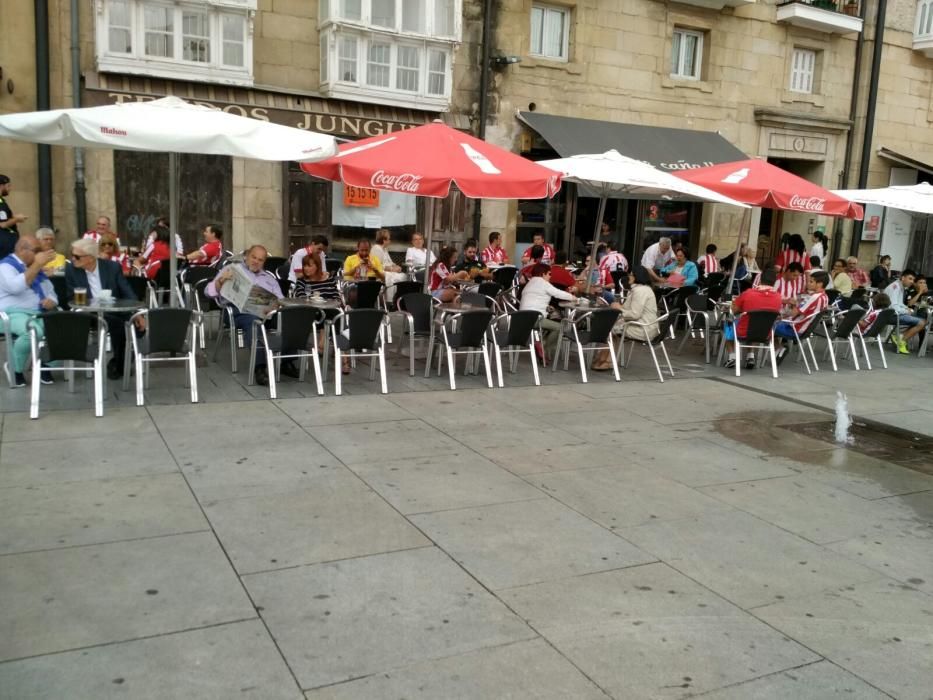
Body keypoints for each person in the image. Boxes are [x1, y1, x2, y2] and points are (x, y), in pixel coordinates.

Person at [206, 245, 284, 385]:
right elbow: (209, 292)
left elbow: (280, 300)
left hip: (265, 314)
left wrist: (274, 305)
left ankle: (286, 361)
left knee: (289, 318)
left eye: (260, 260)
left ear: (264, 262)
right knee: (253, 322)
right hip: (236, 312)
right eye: (253, 257)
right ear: (247, 256)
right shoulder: (232, 269)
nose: (256, 261)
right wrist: (221, 281)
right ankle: (260, 368)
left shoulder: (269, 278)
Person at [66, 238, 140, 380]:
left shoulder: (112, 267)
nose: (73, 259)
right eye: (72, 255)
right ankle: (120, 365)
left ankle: (119, 361)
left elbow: (127, 291)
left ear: (90, 258)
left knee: (134, 324)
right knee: (118, 325)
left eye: (76, 256)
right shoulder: (71, 270)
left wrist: (137, 313)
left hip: (114, 309)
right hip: (88, 313)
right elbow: (70, 296)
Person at [0, 236, 57, 387]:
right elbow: (15, 287)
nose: (40, 254)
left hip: (38, 312)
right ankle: (15, 369)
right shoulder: (5, 267)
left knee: (61, 329)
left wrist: (52, 301)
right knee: (32, 332)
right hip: (11, 313)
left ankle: (45, 366)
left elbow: (50, 291)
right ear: (21, 250)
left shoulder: (33, 266)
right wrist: (37, 265)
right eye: (36, 250)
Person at [592, 267, 659, 371]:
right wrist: (619, 306)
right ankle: (604, 359)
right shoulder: (641, 289)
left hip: (643, 329)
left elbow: (635, 314)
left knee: (608, 329)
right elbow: (633, 310)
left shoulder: (640, 291)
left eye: (631, 274)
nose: (629, 276)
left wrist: (619, 308)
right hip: (647, 326)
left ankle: (606, 361)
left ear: (637, 276)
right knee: (611, 327)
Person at [723, 266, 783, 369]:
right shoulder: (778, 297)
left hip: (742, 331)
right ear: (774, 281)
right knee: (756, 324)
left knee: (727, 324)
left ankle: (732, 357)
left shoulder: (748, 293)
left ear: (760, 279)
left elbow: (734, 311)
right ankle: (750, 356)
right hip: (766, 334)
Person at [519, 263, 575, 362]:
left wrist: (547, 307)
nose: (550, 276)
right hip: (535, 318)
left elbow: (534, 299)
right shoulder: (542, 283)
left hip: (521, 318)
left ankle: (541, 344)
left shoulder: (530, 283)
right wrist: (574, 298)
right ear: (543, 274)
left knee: (552, 322)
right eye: (549, 274)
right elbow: (558, 293)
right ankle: (544, 348)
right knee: (561, 327)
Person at [773, 270, 830, 363]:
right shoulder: (825, 297)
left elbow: (793, 313)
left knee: (767, 325)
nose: (808, 283)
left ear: (819, 284)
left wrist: (795, 303)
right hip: (806, 329)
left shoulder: (813, 297)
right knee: (776, 320)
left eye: (811, 281)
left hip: (795, 329)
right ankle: (781, 347)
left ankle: (778, 348)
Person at [882, 270, 928, 354]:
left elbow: (899, 303)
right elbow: (893, 307)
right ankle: (901, 340)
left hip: (892, 313)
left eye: (913, 279)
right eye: (910, 279)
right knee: (922, 322)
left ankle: (900, 337)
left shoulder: (900, 286)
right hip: (889, 315)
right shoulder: (895, 287)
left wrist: (907, 309)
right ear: (903, 278)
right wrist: (906, 311)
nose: (911, 281)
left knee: (919, 320)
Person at [371, 229, 407, 299]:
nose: (390, 241)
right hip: (379, 274)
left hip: (387, 272)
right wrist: (392, 269)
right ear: (384, 240)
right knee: (402, 277)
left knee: (404, 276)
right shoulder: (376, 249)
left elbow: (390, 262)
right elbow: (377, 266)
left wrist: (396, 266)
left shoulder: (384, 249)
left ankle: (397, 298)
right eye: (389, 239)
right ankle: (390, 300)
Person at [0, 174, 27, 259]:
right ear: (1, 186)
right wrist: (17, 219)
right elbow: (3, 224)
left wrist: (13, 216)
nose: (10, 189)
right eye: (8, 186)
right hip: (5, 244)